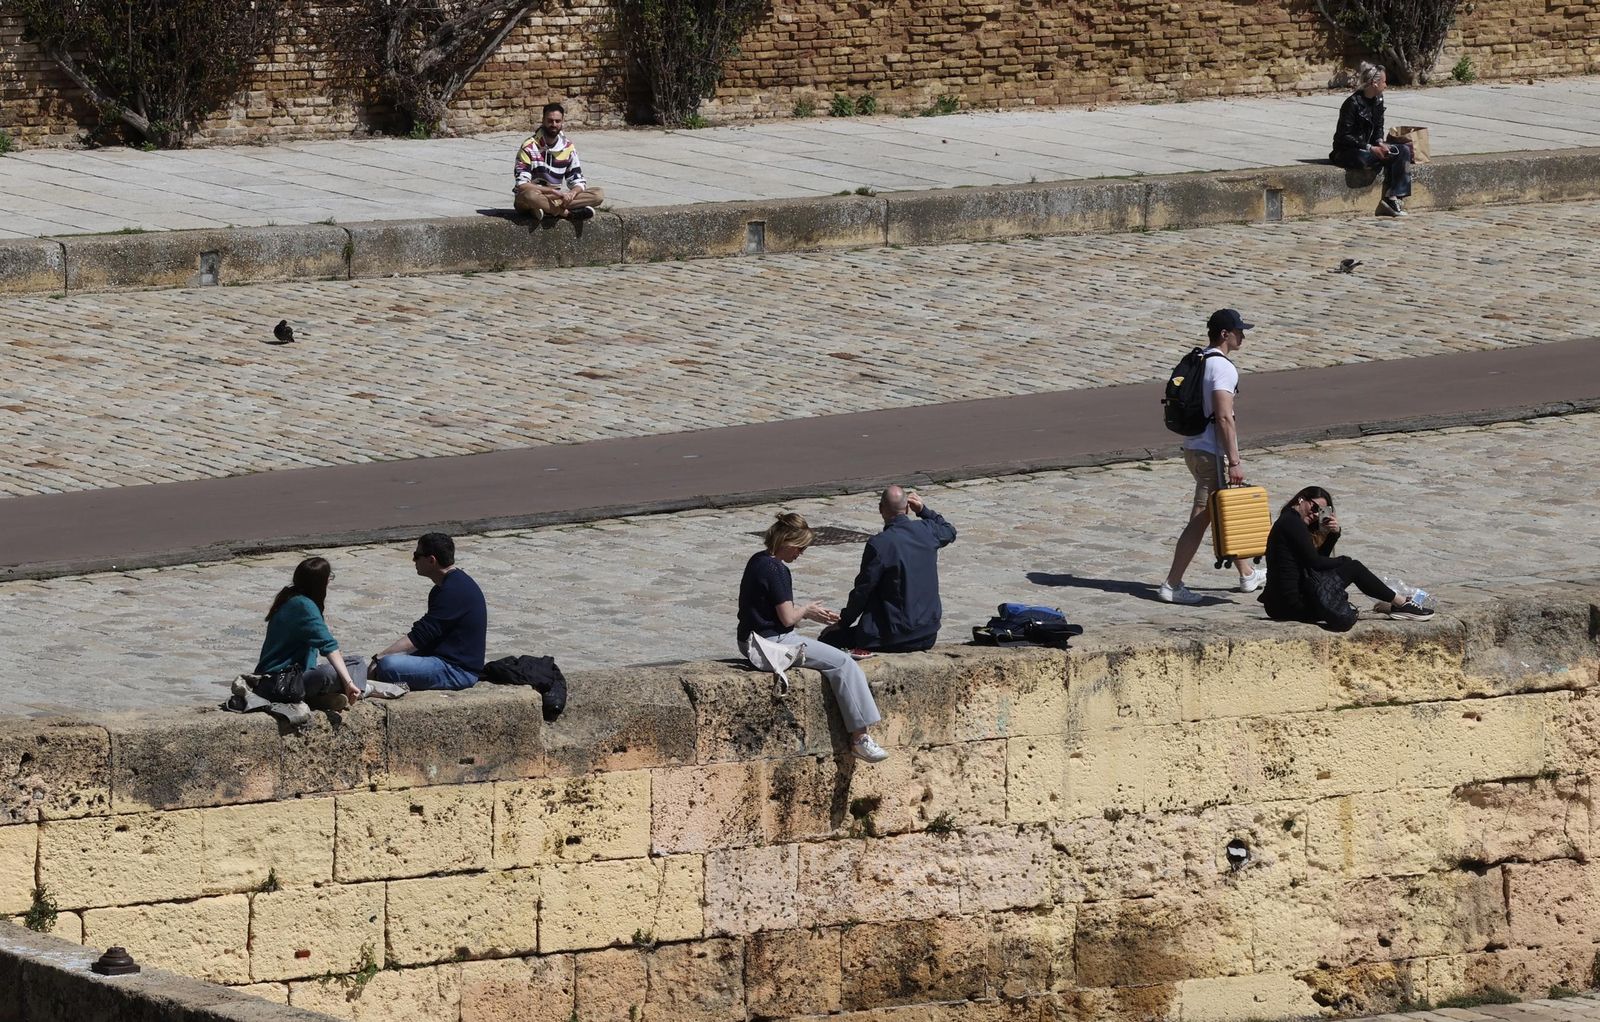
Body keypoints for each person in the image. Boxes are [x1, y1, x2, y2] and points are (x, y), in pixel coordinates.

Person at [737, 512, 889, 763]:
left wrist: (808, 614)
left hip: (751, 641)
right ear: (787, 543)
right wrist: (807, 611)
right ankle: (860, 739)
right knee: (843, 663)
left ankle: (860, 737)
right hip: (772, 643)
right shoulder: (776, 569)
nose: (800, 554)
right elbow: (787, 618)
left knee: (834, 653)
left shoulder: (757, 560)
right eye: (799, 548)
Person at [1159, 308, 1266, 604]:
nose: (1243, 335)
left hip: (1193, 447)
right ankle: (1172, 583)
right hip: (1211, 453)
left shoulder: (1200, 359)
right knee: (1204, 517)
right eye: (1239, 330)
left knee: (1219, 511)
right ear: (1225, 334)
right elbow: (1224, 418)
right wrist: (1234, 461)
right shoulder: (1223, 368)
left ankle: (1246, 574)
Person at [1261, 486, 1434, 624]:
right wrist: (1344, 561)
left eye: (1320, 512)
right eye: (1314, 507)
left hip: (1279, 605)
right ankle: (1402, 604)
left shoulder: (1288, 520)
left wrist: (1332, 535)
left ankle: (1399, 603)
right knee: (1354, 567)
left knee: (1348, 568)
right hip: (1293, 605)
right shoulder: (1292, 523)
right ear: (1301, 499)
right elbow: (1316, 563)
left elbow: (1315, 563)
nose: (1314, 515)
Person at [820, 485, 957, 655]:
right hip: (928, 633)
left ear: (880, 509)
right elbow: (950, 531)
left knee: (827, 641)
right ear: (907, 508)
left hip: (893, 636)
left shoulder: (879, 544)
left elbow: (863, 591)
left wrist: (843, 623)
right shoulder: (928, 530)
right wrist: (923, 510)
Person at [245, 556, 372, 706]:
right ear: (322, 582)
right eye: (329, 577)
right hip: (282, 682)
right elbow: (329, 646)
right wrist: (348, 682)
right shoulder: (303, 606)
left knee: (357, 661)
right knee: (329, 673)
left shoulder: (290, 598)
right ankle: (350, 692)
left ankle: (326, 696)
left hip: (293, 677)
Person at [370, 533, 488, 691]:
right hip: (440, 658)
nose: (414, 561)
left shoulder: (453, 591)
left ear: (432, 560)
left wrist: (379, 657)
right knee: (389, 661)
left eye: (417, 556)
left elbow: (419, 637)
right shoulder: (445, 587)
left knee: (388, 665)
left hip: (457, 670)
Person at [1330, 62, 1413, 218]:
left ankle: (1394, 197)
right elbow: (1344, 135)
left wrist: (1380, 142)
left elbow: (1379, 126)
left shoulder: (1378, 100)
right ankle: (1379, 159)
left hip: (1371, 147)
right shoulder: (1352, 104)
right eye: (1383, 82)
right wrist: (1369, 147)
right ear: (1374, 83)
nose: (1386, 85)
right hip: (1349, 150)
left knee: (1403, 151)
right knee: (1365, 158)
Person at [513, 102, 605, 223]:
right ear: (543, 121)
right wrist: (550, 191)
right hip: (531, 197)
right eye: (550, 121)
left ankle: (546, 210)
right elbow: (522, 185)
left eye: (557, 121)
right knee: (529, 196)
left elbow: (577, 180)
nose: (554, 124)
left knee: (598, 195)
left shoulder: (568, 147)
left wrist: (572, 193)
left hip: (556, 198)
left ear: (562, 122)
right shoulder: (529, 147)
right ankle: (566, 213)